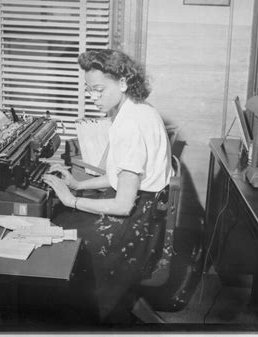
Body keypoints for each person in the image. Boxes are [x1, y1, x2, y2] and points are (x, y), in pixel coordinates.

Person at [43, 49, 172, 324]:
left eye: (99, 90)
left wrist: (71, 200)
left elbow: (123, 205)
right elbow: (121, 177)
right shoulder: (137, 109)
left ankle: (88, 318)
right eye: (89, 90)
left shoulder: (129, 125)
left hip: (136, 224)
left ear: (123, 82)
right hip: (146, 213)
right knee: (64, 220)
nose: (93, 97)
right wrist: (78, 184)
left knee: (58, 238)